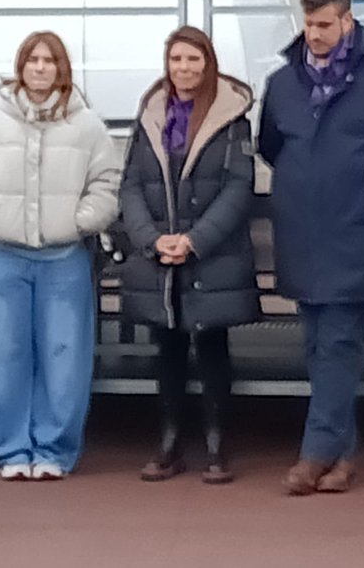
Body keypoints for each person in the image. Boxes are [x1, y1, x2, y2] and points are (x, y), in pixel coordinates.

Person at [259, 0, 364, 495]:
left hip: (361, 232)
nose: (315, 34)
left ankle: (313, 455)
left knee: (338, 343)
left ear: (348, 19)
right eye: (308, 24)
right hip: (302, 233)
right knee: (318, 346)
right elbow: (269, 144)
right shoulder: (283, 83)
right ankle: (343, 456)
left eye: (325, 24)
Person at [0, 31, 120, 480]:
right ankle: (8, 450)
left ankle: (53, 449)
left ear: (62, 68)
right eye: (33, 59)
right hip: (3, 254)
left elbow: (106, 181)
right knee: (2, 355)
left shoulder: (87, 126)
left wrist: (81, 220)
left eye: (50, 60)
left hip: (63, 257)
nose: (41, 68)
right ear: (20, 66)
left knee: (63, 356)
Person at [119, 26, 259, 484]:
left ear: (208, 63)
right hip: (159, 253)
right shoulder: (150, 114)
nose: (184, 68)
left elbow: (239, 187)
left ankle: (218, 444)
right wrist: (151, 238)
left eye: (193, 60)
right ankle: (169, 441)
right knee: (167, 348)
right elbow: (132, 185)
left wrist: (195, 240)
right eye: (177, 59)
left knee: (213, 347)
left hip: (209, 253)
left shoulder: (231, 117)